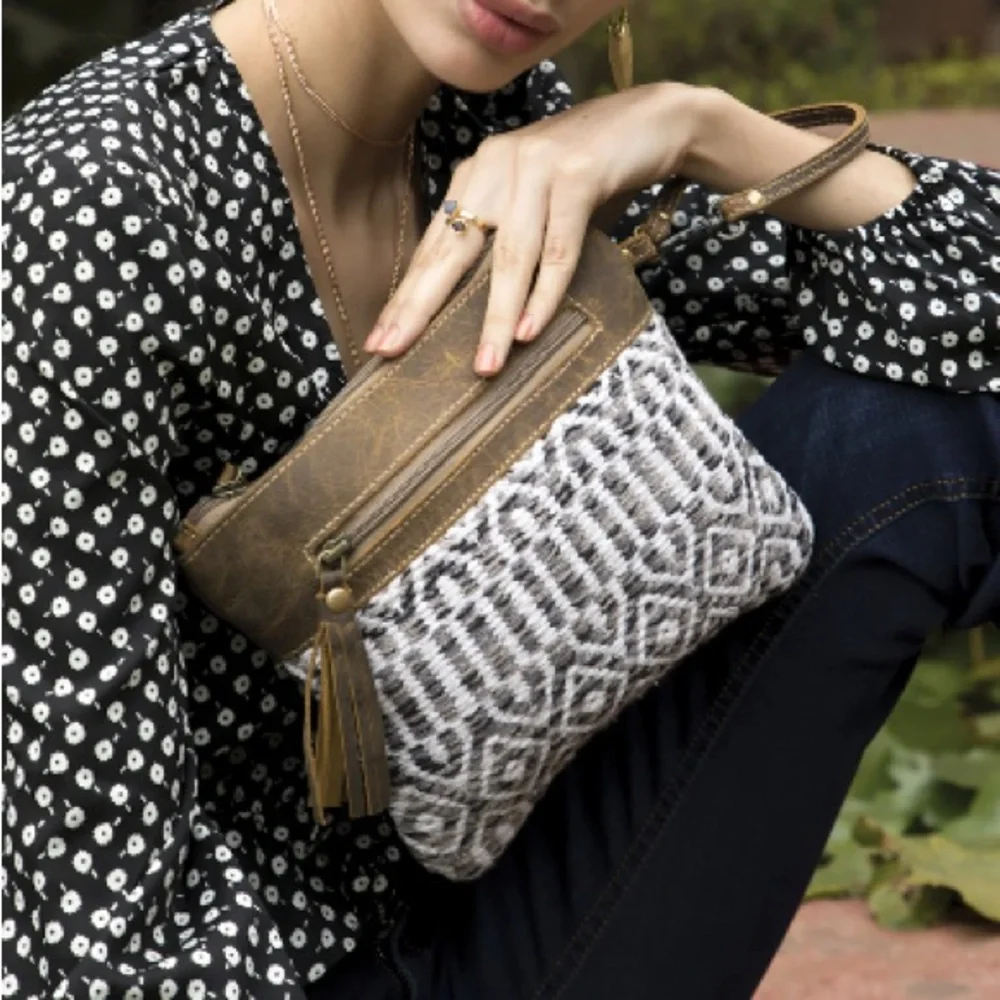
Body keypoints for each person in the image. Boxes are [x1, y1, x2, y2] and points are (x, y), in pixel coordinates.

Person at [2, 0, 997, 997]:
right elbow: (95, 934)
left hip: (494, 891)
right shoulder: (88, 209)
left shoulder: (497, 124)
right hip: (258, 967)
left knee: (916, 424)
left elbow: (965, 312)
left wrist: (698, 126)